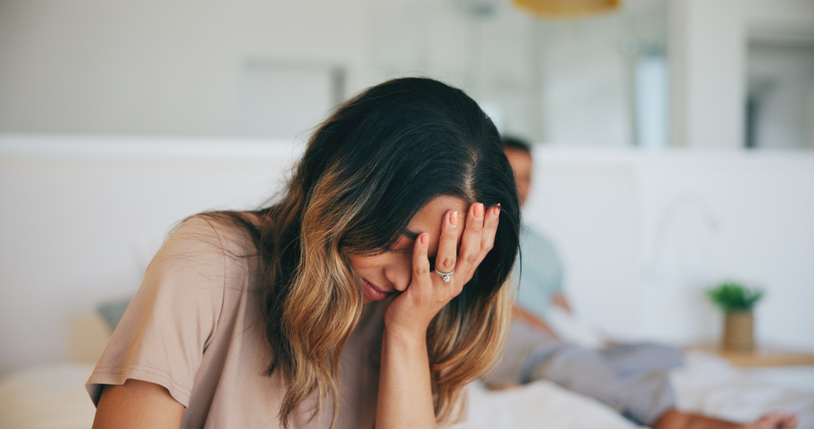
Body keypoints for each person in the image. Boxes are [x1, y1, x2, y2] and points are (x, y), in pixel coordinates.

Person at [86, 78, 521, 429]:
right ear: (346, 191)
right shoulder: (207, 259)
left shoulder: (431, 310)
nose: (406, 280)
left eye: (437, 259)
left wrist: (407, 333)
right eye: (399, 240)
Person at [487, 136, 798, 429]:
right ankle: (681, 419)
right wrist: (548, 331)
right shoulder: (482, 236)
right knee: (565, 359)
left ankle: (598, 365)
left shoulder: (545, 247)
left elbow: (565, 309)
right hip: (503, 331)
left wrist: (602, 340)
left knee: (664, 354)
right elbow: (486, 301)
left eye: (527, 176)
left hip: (549, 334)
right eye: (511, 173)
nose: (520, 185)